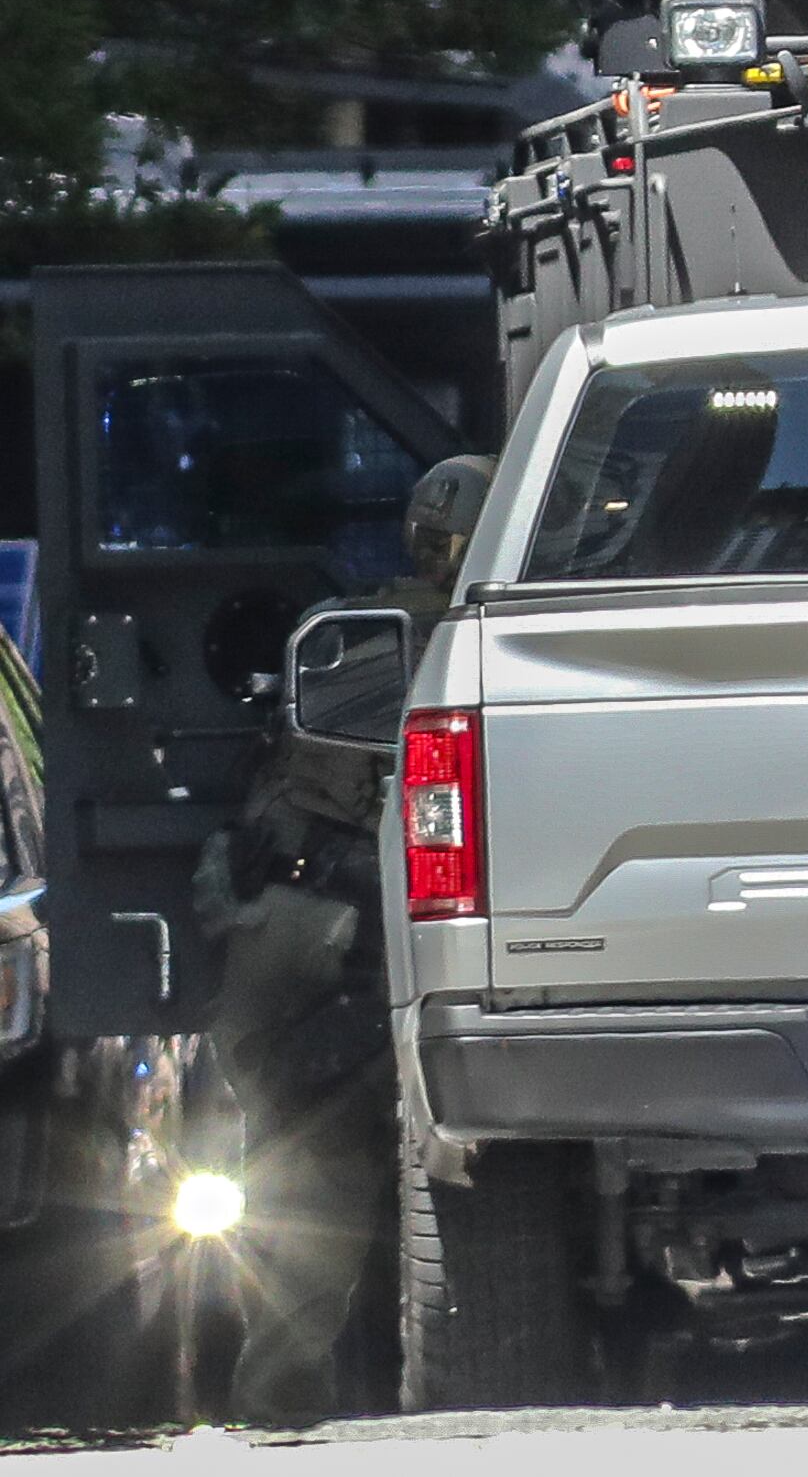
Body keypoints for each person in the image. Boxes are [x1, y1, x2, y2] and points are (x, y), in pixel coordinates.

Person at [206, 461, 484, 1419]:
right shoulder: (499, 640)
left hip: (309, 923)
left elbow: (270, 797)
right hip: (382, 934)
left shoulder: (343, 640)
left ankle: (284, 1398)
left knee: (302, 1170)